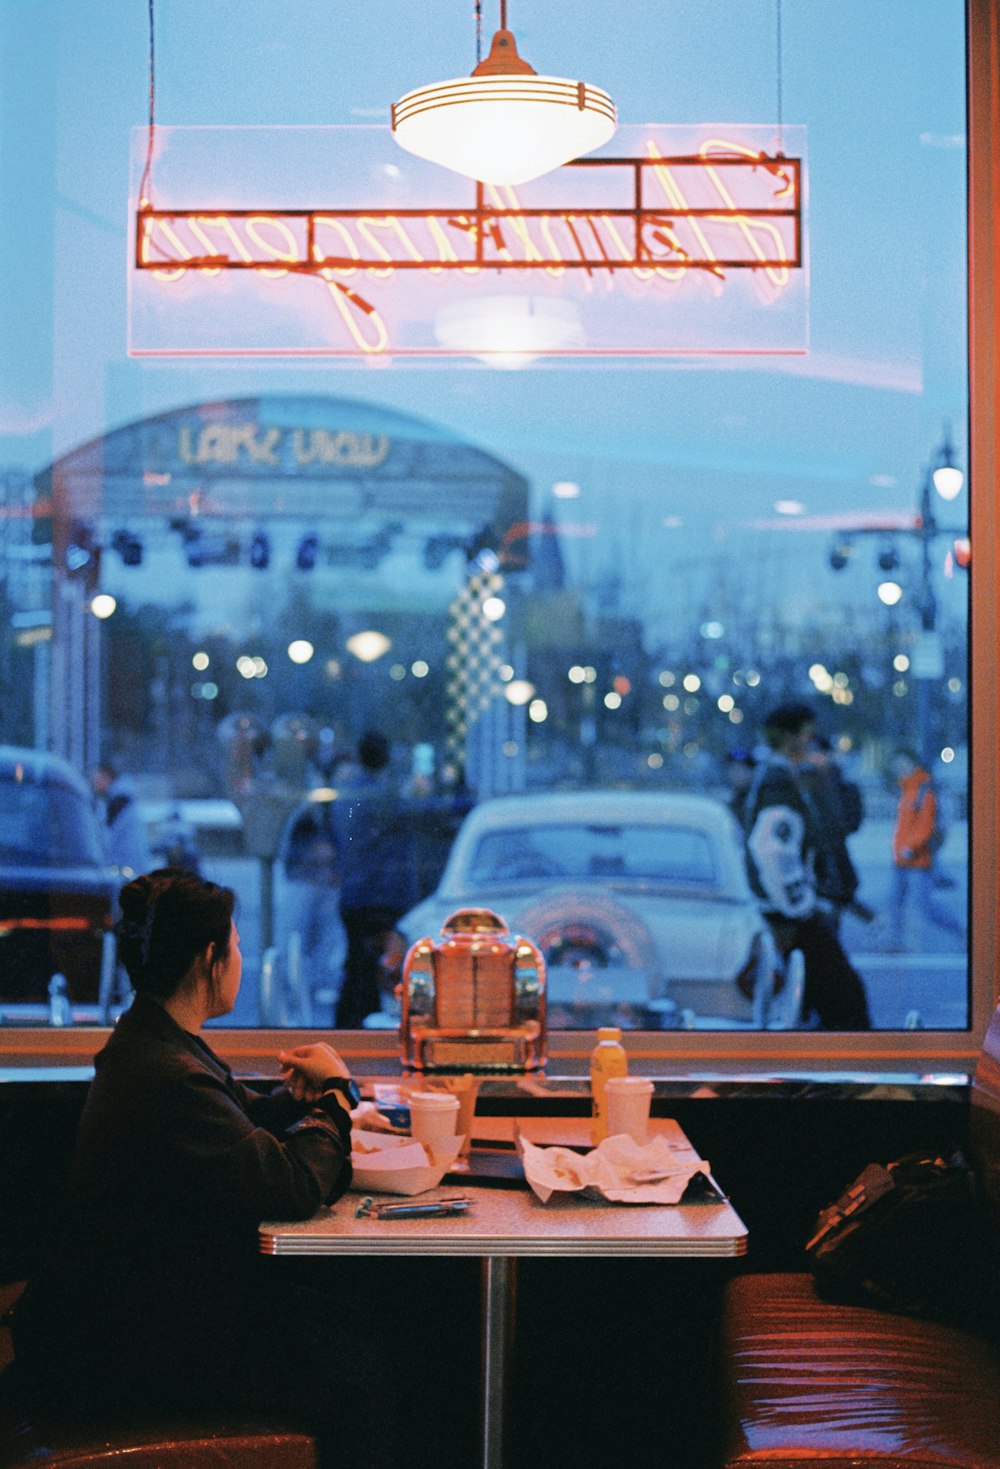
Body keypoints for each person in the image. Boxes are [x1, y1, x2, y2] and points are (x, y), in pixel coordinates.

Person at [9, 868, 399, 1469]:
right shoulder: (164, 1072)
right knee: (364, 1374)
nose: (240, 956)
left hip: (138, 1315)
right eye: (237, 945)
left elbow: (236, 1127)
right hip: (138, 1350)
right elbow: (292, 1186)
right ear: (209, 959)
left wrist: (300, 1102)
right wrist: (337, 1098)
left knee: (350, 1330)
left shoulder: (154, 1039)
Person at [742, 702, 871, 1029]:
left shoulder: (782, 780)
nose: (814, 742)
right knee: (846, 1003)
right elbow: (771, 849)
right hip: (793, 919)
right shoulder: (780, 785)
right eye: (808, 734)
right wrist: (800, 904)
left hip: (789, 915)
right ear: (791, 739)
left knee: (822, 1003)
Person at [333, 731, 419, 1028]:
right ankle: (362, 1027)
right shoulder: (388, 797)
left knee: (356, 965)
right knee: (376, 968)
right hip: (383, 893)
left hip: (354, 894)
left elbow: (346, 840)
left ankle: (348, 1026)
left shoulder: (346, 795)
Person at [885, 748, 965, 952]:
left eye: (903, 764)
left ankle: (961, 932)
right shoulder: (907, 789)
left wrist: (910, 848)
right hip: (901, 857)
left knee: (924, 906)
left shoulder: (924, 790)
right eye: (897, 765)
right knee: (894, 901)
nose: (899, 768)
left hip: (917, 859)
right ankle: (894, 942)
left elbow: (926, 826)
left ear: (913, 764)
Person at [800, 734, 872, 930]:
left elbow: (850, 821)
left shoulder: (840, 785)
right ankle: (871, 921)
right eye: (811, 754)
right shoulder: (803, 783)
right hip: (813, 859)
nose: (815, 759)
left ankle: (872, 921)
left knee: (835, 905)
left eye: (819, 754)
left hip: (833, 856)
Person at [90, 759, 152, 879]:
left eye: (98, 779)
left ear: (107, 777)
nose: (94, 784)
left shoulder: (118, 801)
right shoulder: (120, 798)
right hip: (132, 867)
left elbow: (105, 836)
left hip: (127, 869)